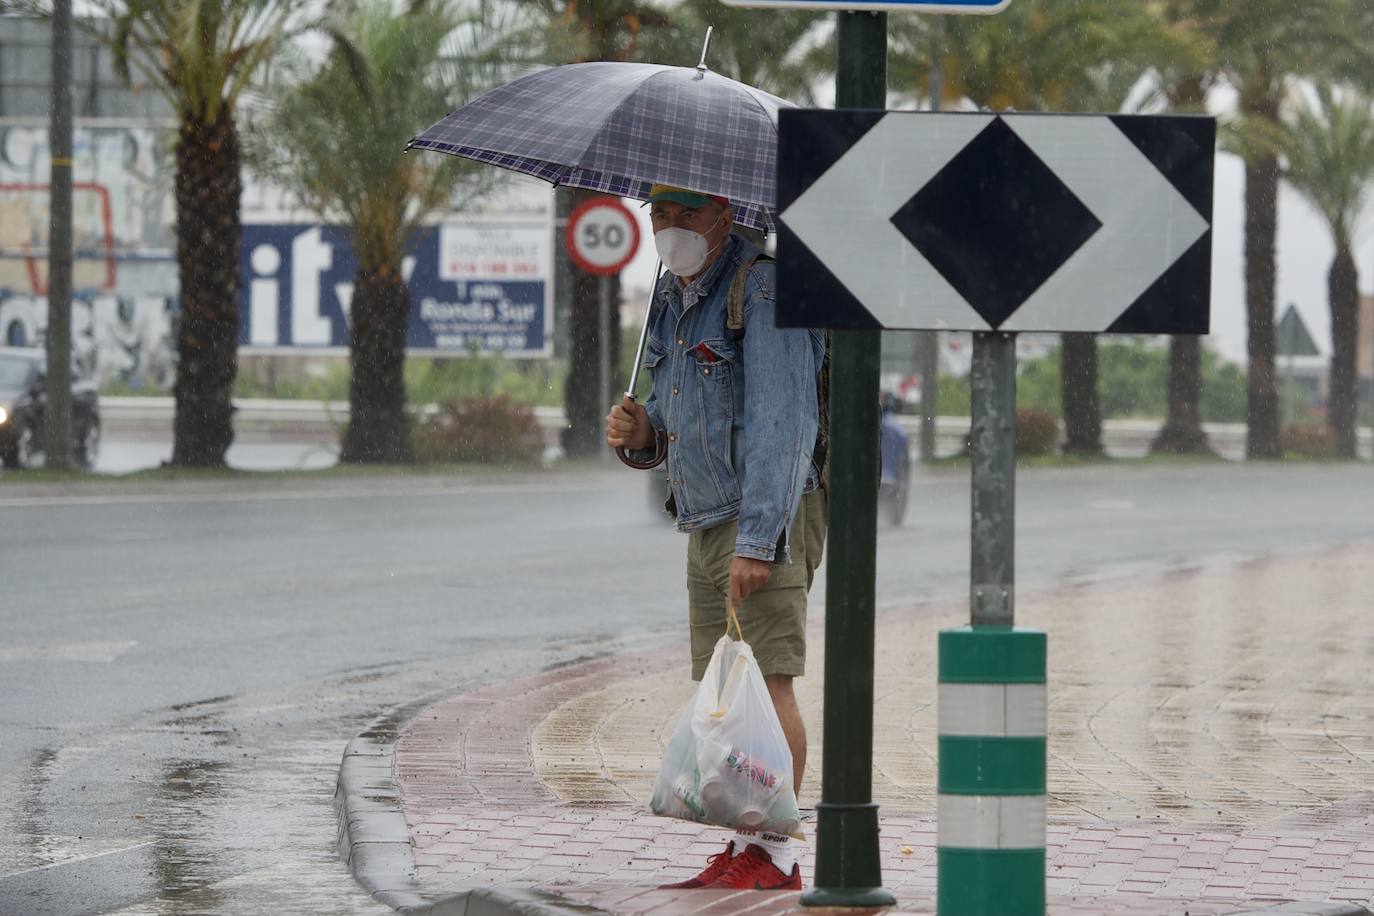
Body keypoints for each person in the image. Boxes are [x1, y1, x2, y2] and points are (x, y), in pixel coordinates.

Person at [605, 184, 826, 891]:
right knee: (727, 689)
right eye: (658, 213)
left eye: (685, 211)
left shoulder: (760, 290)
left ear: (724, 215)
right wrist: (644, 439)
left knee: (770, 686)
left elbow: (783, 423)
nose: (669, 225)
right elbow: (688, 423)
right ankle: (747, 841)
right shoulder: (672, 298)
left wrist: (760, 539)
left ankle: (779, 854)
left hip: (763, 516)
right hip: (703, 518)